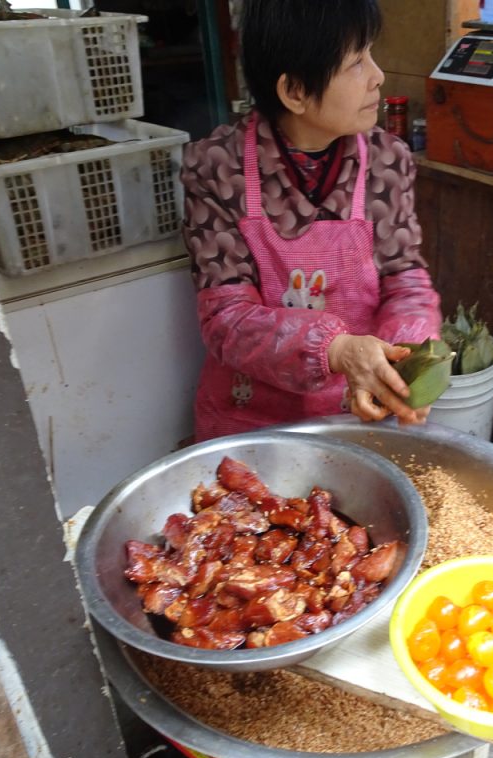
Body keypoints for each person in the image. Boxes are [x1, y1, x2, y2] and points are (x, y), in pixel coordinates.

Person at [181, 0, 443, 442]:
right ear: (296, 91)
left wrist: (404, 361)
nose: (378, 75)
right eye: (357, 62)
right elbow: (226, 319)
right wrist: (336, 349)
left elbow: (405, 281)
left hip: (357, 416)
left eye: (372, 54)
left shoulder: (386, 161)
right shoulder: (217, 167)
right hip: (250, 426)